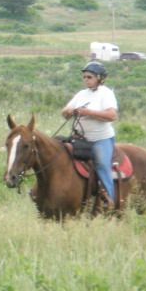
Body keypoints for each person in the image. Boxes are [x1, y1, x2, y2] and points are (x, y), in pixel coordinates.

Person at [61, 61, 118, 207]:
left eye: (89, 77)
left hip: (100, 139)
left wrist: (89, 113)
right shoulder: (81, 94)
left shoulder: (106, 93)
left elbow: (112, 115)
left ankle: (108, 201)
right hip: (81, 139)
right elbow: (65, 112)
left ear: (99, 78)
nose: (85, 79)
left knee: (102, 164)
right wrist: (70, 111)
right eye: (84, 77)